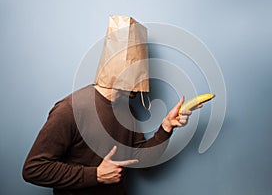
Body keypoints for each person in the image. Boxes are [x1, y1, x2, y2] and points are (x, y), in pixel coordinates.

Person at [22, 15, 203, 195]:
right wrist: (96, 175)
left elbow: (141, 160)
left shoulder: (126, 109)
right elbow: (34, 169)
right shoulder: (71, 109)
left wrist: (165, 128)